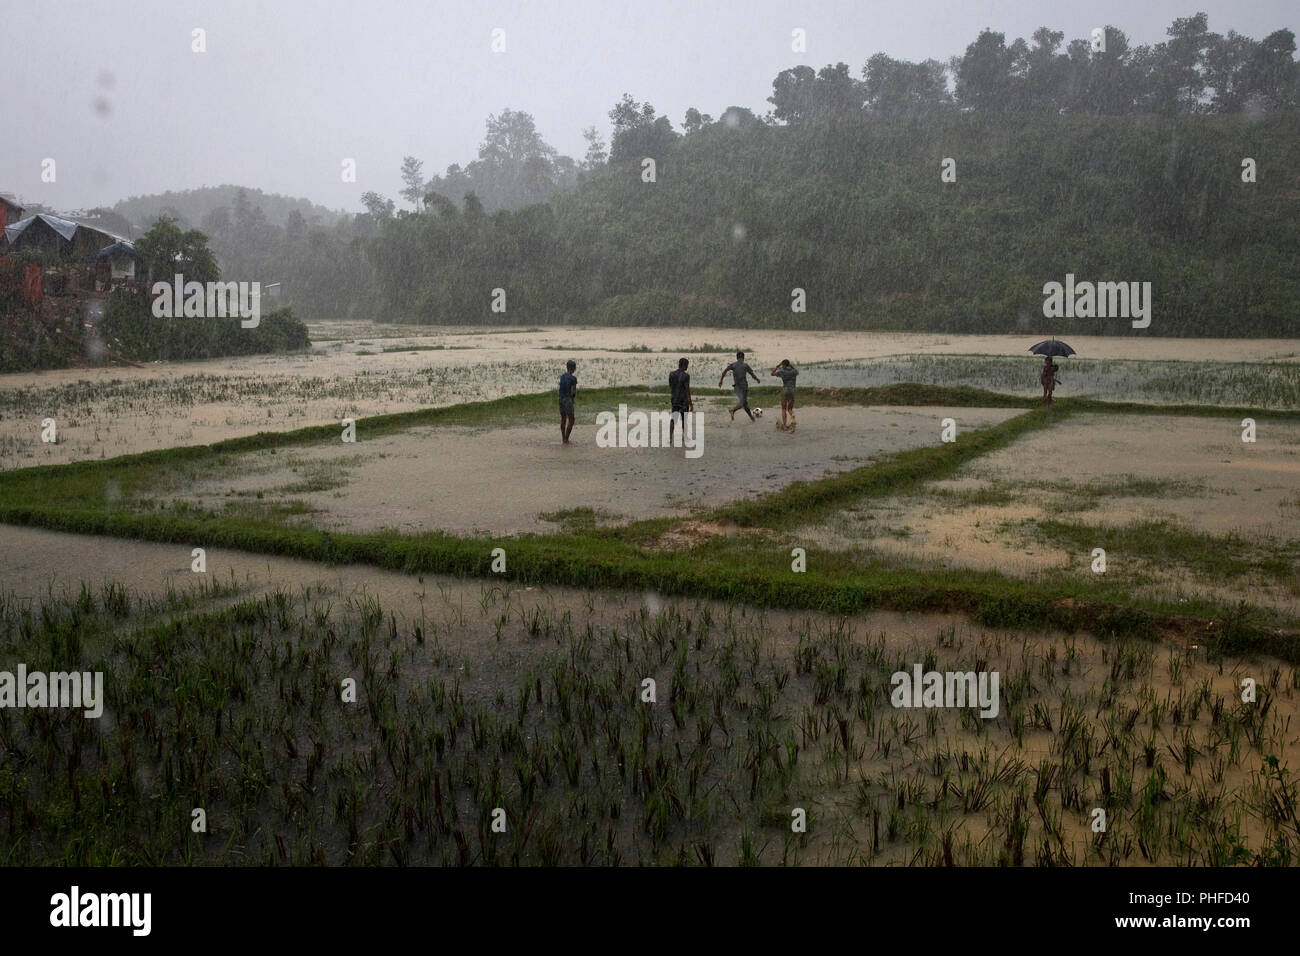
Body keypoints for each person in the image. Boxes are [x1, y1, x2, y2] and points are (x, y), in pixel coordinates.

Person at [719, 350, 760, 421]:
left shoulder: (733, 365)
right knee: (743, 402)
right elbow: (752, 374)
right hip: (743, 387)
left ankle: (752, 418)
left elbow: (725, 371)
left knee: (745, 404)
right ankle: (733, 410)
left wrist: (721, 381)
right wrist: (757, 379)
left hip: (736, 387)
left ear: (737, 357)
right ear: (743, 357)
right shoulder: (745, 365)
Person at [668, 357, 693, 445]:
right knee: (684, 419)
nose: (687, 367)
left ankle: (671, 438)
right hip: (683, 401)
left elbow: (671, 386)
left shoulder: (671, 374)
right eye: (687, 365)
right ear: (685, 365)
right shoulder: (686, 376)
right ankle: (684, 437)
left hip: (674, 399)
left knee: (673, 419)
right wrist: (690, 402)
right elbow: (687, 389)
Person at [771, 359, 798, 431]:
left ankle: (785, 426)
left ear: (783, 365)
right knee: (789, 409)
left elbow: (772, 373)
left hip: (785, 390)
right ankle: (792, 415)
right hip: (792, 390)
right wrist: (790, 366)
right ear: (789, 364)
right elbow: (797, 372)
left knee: (783, 408)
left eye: (782, 365)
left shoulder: (782, 371)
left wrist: (777, 367)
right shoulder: (794, 371)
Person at [558, 359, 578, 443]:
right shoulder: (573, 378)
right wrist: (572, 400)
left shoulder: (562, 376)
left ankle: (563, 438)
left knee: (563, 418)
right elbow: (573, 391)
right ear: (573, 368)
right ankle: (566, 439)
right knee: (571, 419)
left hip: (560, 399)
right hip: (567, 400)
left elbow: (560, 388)